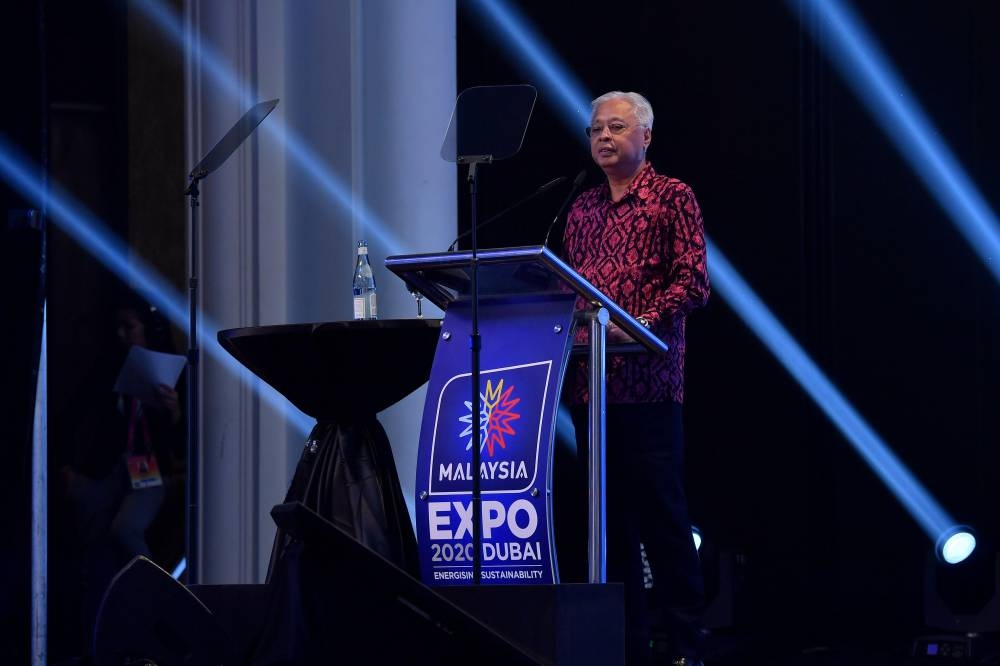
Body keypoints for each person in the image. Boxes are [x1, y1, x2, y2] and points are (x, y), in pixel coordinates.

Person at [561, 91, 710, 665]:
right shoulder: (580, 209)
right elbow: (572, 289)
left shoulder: (673, 198)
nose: (603, 136)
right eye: (595, 128)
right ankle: (624, 648)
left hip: (648, 386)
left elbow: (691, 282)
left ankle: (686, 648)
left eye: (616, 127)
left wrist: (640, 324)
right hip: (590, 390)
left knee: (665, 523)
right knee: (605, 527)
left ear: (645, 135)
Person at [56, 290, 185, 653]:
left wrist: (172, 412)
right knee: (95, 552)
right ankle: (98, 637)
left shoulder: (170, 373)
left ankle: (161, 597)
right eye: (119, 327)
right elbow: (74, 414)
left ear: (147, 328)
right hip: (110, 469)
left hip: (152, 470)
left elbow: (183, 441)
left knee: (125, 529)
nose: (122, 335)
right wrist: (66, 469)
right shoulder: (108, 369)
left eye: (130, 327)